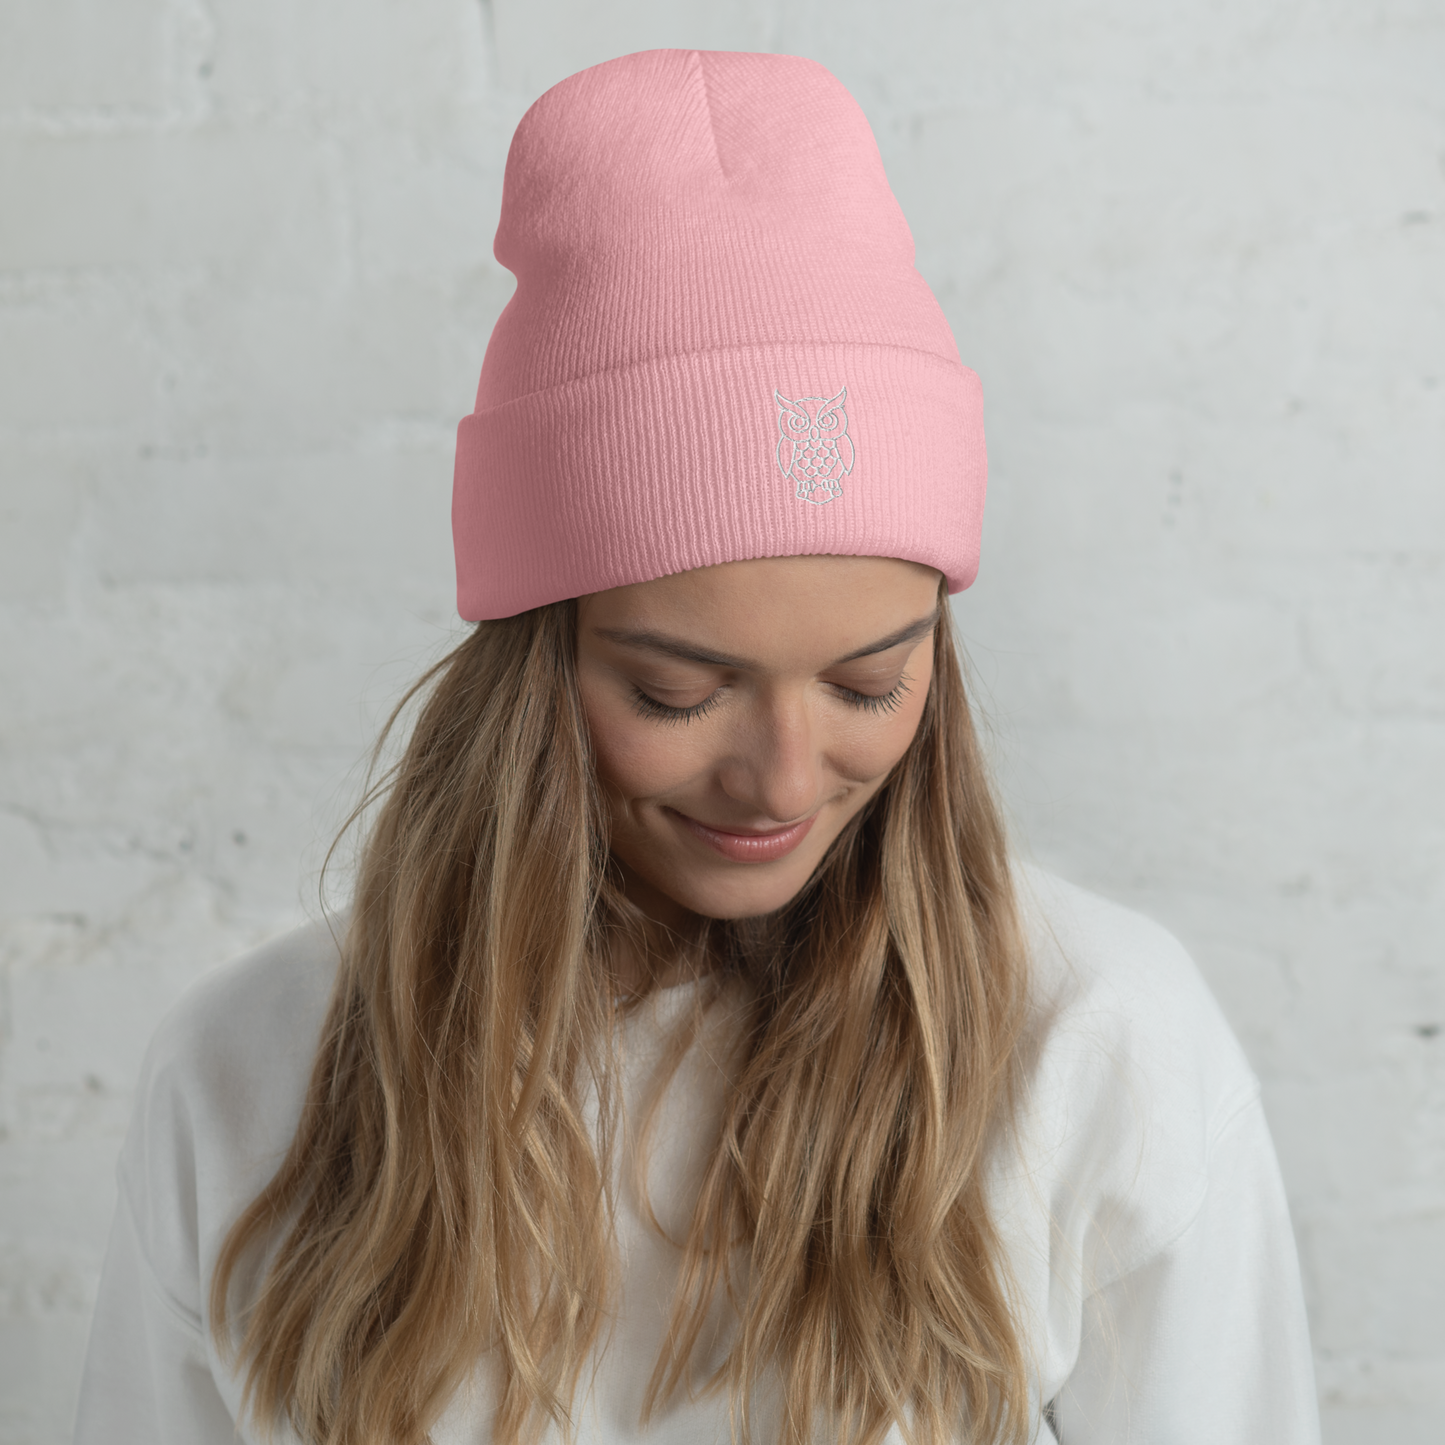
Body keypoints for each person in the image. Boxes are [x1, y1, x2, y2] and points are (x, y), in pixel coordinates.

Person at [73, 49, 1321, 1445]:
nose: (785, 780)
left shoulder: (1100, 1047)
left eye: (868, 684)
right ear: (532, 673)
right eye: (678, 694)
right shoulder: (249, 1075)